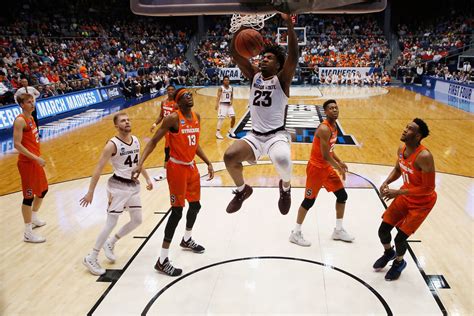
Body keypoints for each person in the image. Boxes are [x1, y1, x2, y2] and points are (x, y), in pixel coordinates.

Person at [133, 88, 214, 277]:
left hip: (191, 167)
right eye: (185, 95)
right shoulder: (173, 118)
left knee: (195, 206)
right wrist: (140, 163)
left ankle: (186, 239)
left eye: (190, 94)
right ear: (178, 101)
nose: (190, 97)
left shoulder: (197, 117)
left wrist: (208, 161)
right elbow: (153, 142)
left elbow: (195, 144)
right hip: (176, 168)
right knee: (177, 211)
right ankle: (162, 260)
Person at [224, 13, 298, 215]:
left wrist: (289, 25)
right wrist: (238, 29)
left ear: (278, 65)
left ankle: (285, 187)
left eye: (269, 58)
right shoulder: (254, 75)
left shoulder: (282, 80)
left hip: (276, 135)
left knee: (282, 160)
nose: (263, 59)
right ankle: (242, 190)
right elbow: (236, 54)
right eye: (263, 57)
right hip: (255, 135)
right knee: (229, 156)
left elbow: (293, 56)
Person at [80, 112, 153, 276]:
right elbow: (98, 168)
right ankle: (91, 257)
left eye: (128, 119)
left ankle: (111, 242)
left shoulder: (135, 140)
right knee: (111, 222)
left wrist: (147, 179)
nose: (127, 122)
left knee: (137, 220)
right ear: (116, 126)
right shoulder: (112, 145)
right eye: (123, 121)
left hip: (133, 186)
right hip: (118, 187)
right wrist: (90, 192)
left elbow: (138, 163)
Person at [374, 118, 436, 281]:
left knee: (400, 237)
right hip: (405, 196)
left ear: (417, 136)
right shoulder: (402, 148)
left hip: (422, 203)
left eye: (410, 129)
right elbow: (397, 169)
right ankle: (389, 253)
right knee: (383, 230)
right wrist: (386, 182)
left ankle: (399, 263)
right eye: (406, 126)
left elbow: (428, 188)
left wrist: (399, 193)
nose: (404, 130)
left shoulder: (424, 156)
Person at [289, 100, 354, 247]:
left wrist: (340, 162)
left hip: (327, 168)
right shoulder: (324, 128)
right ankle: (295, 233)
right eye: (331, 108)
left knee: (342, 196)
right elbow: (325, 155)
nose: (335, 110)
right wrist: (339, 167)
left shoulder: (334, 126)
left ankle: (338, 230)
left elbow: (330, 150)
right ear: (325, 112)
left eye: (336, 107)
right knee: (309, 201)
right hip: (316, 169)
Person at [13, 93, 48, 243]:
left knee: (43, 190)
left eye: (33, 101)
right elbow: (17, 144)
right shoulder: (20, 121)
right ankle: (28, 232)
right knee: (28, 197)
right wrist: (35, 158)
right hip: (27, 164)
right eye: (28, 102)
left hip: (35, 162)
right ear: (22, 105)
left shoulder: (32, 118)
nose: (32, 104)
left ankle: (33, 218)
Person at [150, 85, 178, 168]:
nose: (170, 91)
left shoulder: (176, 104)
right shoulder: (163, 102)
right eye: (169, 90)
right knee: (168, 145)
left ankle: (168, 163)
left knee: (171, 145)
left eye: (172, 90)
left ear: (175, 91)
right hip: (166, 128)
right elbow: (161, 116)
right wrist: (154, 124)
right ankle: (168, 163)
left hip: (174, 128)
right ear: (166, 91)